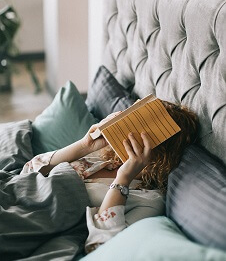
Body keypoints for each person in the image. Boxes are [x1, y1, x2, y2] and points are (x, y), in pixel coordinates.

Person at [20, 100, 198, 253]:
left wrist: (124, 178)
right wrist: (84, 146)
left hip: (32, 220)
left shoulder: (149, 200)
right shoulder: (104, 157)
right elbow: (30, 169)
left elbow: (102, 245)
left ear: (162, 151)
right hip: (15, 193)